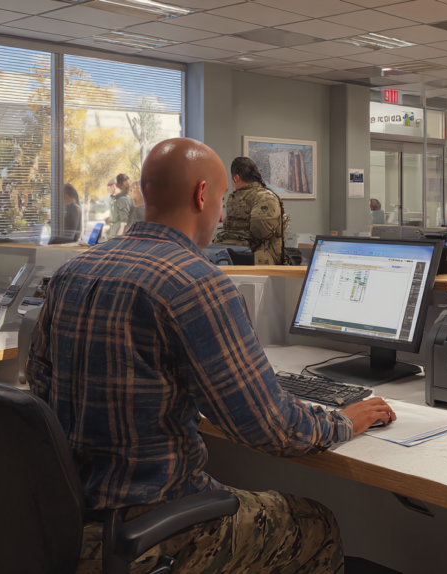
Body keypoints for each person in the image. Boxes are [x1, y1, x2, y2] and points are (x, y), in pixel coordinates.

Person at [28, 138, 397, 574]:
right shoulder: (196, 283)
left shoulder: (73, 271)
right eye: (221, 201)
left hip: (64, 518)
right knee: (315, 523)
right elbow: (272, 429)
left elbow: (41, 386)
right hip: (149, 525)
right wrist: (345, 419)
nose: (221, 215)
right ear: (203, 195)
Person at [214, 157, 288, 265]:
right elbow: (260, 230)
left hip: (247, 262)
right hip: (257, 263)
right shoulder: (266, 196)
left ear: (236, 178)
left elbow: (259, 230)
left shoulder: (233, 198)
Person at [106, 173, 134, 238]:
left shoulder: (122, 199)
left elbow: (124, 222)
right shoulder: (117, 199)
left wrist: (119, 237)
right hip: (115, 234)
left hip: (118, 236)